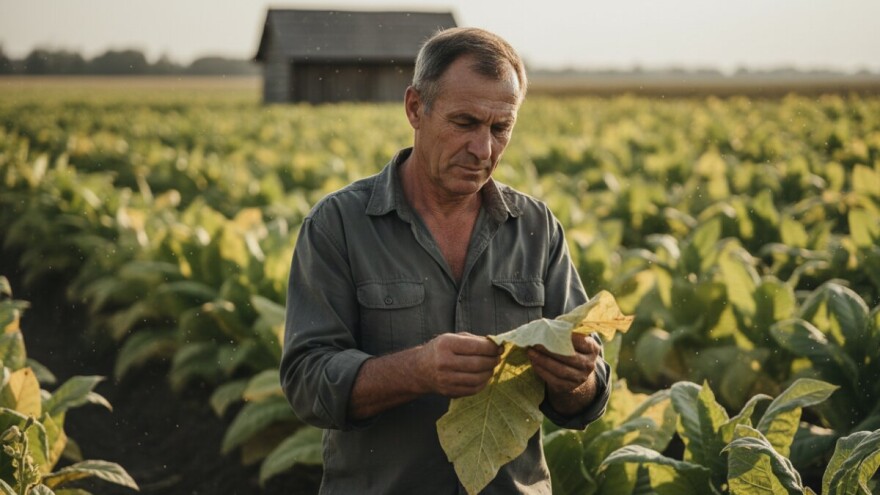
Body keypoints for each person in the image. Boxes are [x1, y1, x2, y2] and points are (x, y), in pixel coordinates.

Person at [280, 27, 611, 494]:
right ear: (416, 108)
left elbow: (586, 398)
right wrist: (417, 370)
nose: (484, 150)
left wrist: (576, 377)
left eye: (501, 129)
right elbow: (306, 382)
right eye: (464, 123)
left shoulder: (537, 228)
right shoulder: (339, 225)